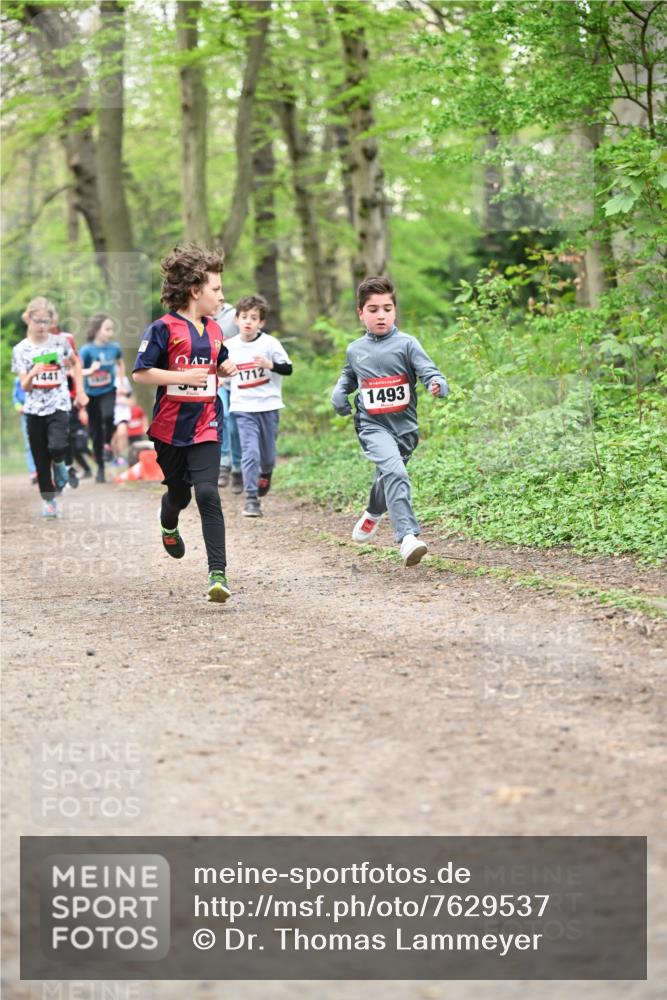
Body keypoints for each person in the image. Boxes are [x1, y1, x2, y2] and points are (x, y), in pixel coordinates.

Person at [132, 244, 237, 603]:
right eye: (216, 289)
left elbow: (220, 361)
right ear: (195, 291)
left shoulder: (216, 330)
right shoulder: (162, 329)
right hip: (169, 430)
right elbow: (142, 373)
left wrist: (226, 367)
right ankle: (169, 524)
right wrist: (181, 375)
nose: (222, 296)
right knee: (179, 493)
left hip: (206, 424)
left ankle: (217, 574)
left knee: (207, 492)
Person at [331, 276, 448, 566]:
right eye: (373, 309)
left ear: (394, 311)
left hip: (405, 428)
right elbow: (349, 376)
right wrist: (340, 393)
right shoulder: (355, 349)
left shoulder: (407, 344)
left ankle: (373, 511)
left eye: (386, 308)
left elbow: (429, 371)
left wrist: (437, 383)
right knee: (395, 472)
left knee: (389, 474)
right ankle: (407, 537)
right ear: (361, 313)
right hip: (372, 426)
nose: (380, 315)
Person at [11, 297, 87, 518]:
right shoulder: (21, 350)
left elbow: (76, 364)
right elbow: (25, 387)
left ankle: (61, 463)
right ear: (28, 319)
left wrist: (80, 391)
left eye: (46, 321)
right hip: (33, 409)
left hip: (58, 404)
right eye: (38, 321)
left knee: (57, 446)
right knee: (40, 457)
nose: (42, 325)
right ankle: (49, 501)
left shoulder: (60, 343)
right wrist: (33, 373)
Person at [226, 295, 293, 517]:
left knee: (267, 456)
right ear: (236, 320)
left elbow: (288, 369)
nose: (248, 322)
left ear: (261, 323)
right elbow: (219, 372)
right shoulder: (228, 347)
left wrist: (270, 364)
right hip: (243, 407)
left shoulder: (270, 344)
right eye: (244, 317)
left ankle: (266, 473)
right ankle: (251, 499)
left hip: (268, 405)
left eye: (253, 318)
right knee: (250, 452)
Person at [79, 313, 125, 483]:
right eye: (107, 329)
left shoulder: (114, 348)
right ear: (97, 330)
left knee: (108, 416)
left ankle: (107, 445)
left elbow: (120, 363)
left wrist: (121, 382)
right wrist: (89, 371)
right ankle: (100, 467)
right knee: (95, 432)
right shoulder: (86, 350)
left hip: (108, 390)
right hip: (91, 394)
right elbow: (78, 371)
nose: (110, 333)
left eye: (112, 329)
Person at [214, 302, 243, 493]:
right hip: (217, 379)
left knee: (234, 424)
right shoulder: (199, 315)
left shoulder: (233, 314)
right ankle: (223, 464)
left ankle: (238, 468)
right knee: (221, 416)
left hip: (237, 377)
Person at [12, 377, 37, 484]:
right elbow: (15, 398)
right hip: (26, 414)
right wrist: (19, 407)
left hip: (40, 412)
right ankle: (33, 472)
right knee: (29, 444)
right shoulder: (18, 380)